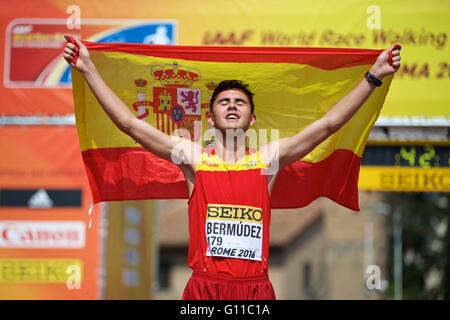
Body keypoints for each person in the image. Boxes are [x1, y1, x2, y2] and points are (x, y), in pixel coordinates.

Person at [63, 35, 401, 300]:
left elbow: (328, 125)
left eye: (240, 102)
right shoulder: (193, 157)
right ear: (210, 118)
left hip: (254, 289)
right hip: (203, 289)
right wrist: (88, 68)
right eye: (224, 102)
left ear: (252, 119)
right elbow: (130, 125)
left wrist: (373, 76)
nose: (232, 106)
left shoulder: (268, 159)